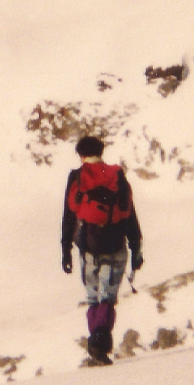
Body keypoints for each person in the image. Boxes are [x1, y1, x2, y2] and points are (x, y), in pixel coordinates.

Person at [60, 135, 144, 365]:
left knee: (93, 297)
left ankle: (96, 344)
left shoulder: (76, 176)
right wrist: (136, 247)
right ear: (102, 151)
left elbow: (69, 215)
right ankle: (100, 344)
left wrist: (65, 249)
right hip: (117, 244)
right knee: (108, 297)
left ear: (80, 154)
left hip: (88, 245)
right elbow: (130, 214)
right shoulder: (117, 175)